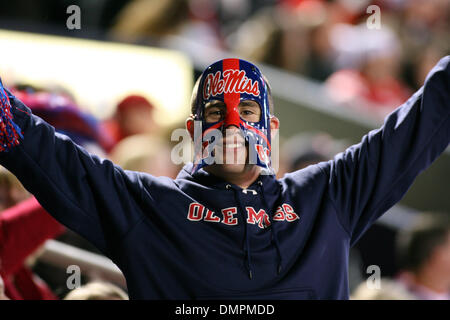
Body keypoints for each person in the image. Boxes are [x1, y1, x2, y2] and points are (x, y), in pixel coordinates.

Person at [0, 57, 448, 299]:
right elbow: (41, 151)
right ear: (194, 133)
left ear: (271, 130)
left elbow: (423, 121)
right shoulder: (148, 208)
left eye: (248, 111)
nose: (232, 125)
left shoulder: (327, 196)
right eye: (216, 113)